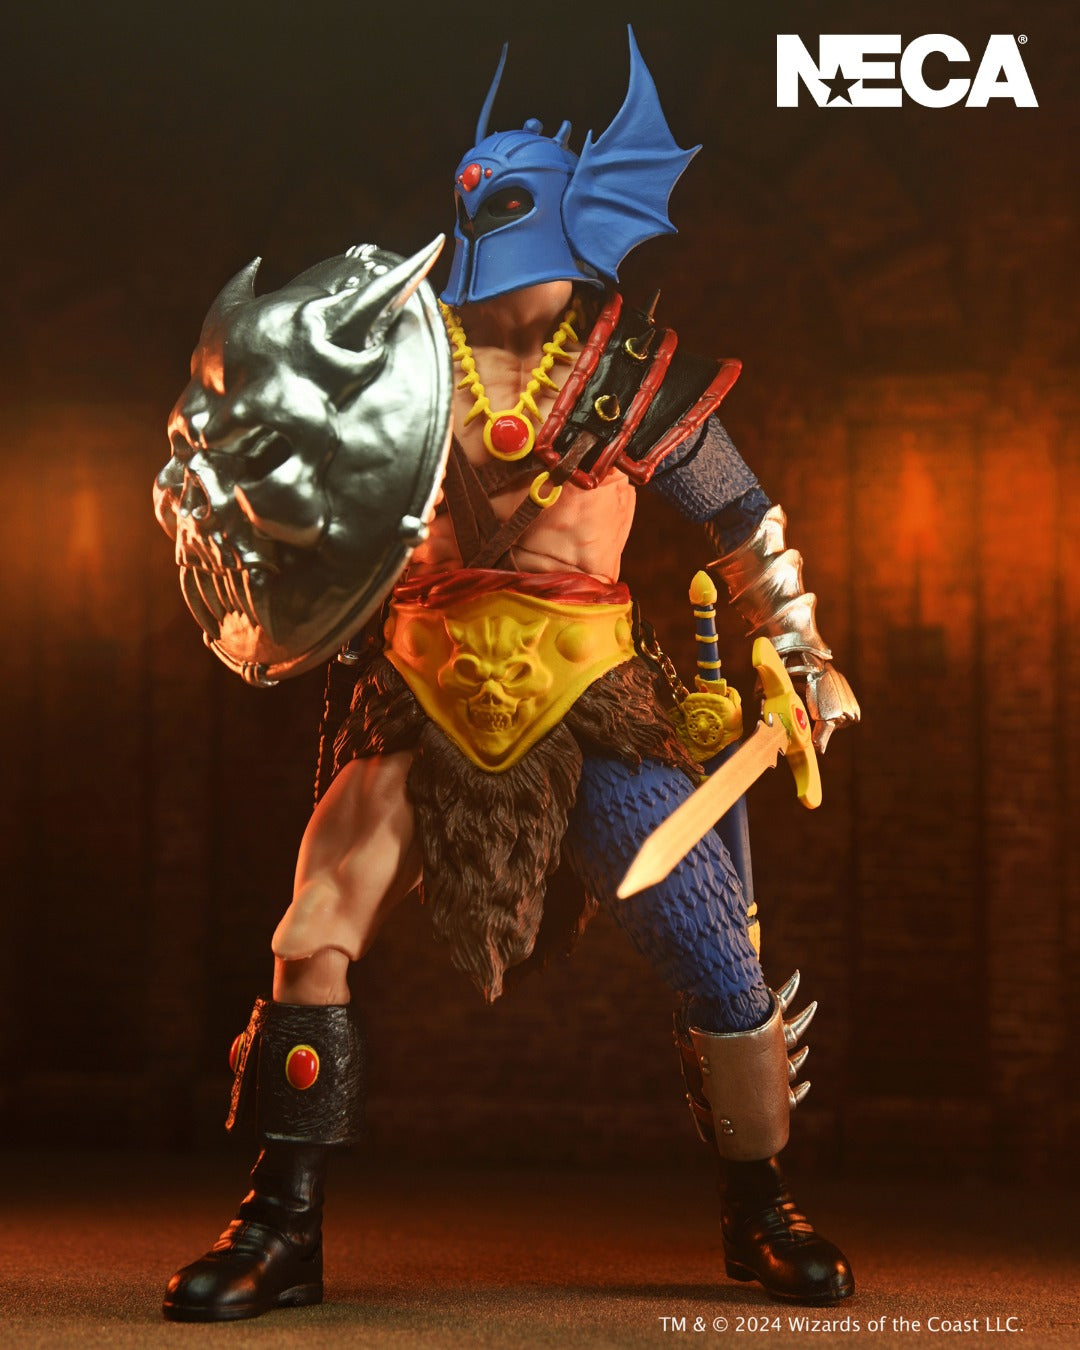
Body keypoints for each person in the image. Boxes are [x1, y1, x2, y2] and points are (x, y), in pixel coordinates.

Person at [160, 28, 860, 1323]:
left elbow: (744, 523)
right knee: (312, 935)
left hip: (589, 698)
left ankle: (762, 1205)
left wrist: (803, 654)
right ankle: (280, 1224)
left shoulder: (631, 376)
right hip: (417, 690)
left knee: (715, 948)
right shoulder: (391, 369)